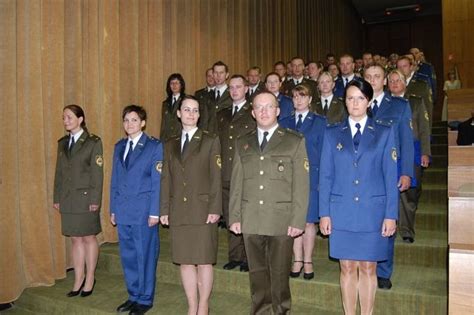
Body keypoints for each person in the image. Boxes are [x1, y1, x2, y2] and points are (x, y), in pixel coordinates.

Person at [319, 80, 398, 315]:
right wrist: (324, 213)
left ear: (369, 102)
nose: (355, 103)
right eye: (350, 98)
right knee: (347, 267)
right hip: (341, 211)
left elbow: (389, 176)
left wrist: (391, 215)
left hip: (372, 212)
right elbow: (325, 176)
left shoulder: (384, 132)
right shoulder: (332, 133)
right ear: (344, 101)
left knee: (368, 267)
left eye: (360, 98)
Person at [229, 92, 309, 314]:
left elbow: (301, 186)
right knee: (257, 274)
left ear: (278, 110)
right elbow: (236, 183)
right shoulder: (242, 142)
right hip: (251, 218)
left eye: (269, 106)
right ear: (253, 112)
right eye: (259, 107)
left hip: (281, 220)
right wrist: (235, 216)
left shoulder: (294, 140)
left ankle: (281, 311)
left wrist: (297, 220)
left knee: (280, 274)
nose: (264, 111)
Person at [160, 96, 222, 315]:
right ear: (178, 113)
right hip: (179, 210)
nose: (191, 114)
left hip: (203, 209)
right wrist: (164, 209)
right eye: (186, 109)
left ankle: (203, 304)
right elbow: (166, 178)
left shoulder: (210, 140)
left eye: (195, 110)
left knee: (204, 261)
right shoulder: (169, 144)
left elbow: (216, 177)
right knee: (185, 261)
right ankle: (191, 304)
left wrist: (215, 208)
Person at [364, 64, 414, 290]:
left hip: (389, 173)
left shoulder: (399, 106)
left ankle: (383, 271)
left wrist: (406, 172)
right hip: (362, 174)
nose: (372, 80)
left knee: (387, 222)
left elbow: (406, 141)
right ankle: (366, 264)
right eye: (368, 77)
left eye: (377, 77)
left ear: (384, 81)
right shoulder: (356, 104)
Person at [110, 105, 163, 314]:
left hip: (143, 211)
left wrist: (154, 211)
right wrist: (113, 208)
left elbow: (157, 182)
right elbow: (115, 180)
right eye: (126, 120)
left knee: (146, 255)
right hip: (123, 210)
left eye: (134, 120)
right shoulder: (119, 146)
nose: (129, 124)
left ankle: (145, 298)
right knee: (129, 256)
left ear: (142, 123)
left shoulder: (153, 146)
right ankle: (133, 295)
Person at [54, 104, 103, 298]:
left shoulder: (92, 142)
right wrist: (56, 197)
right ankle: (78, 278)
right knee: (75, 239)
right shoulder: (62, 143)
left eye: (69, 117)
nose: (66, 120)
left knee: (88, 238)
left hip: (85, 198)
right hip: (67, 199)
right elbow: (59, 173)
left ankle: (90, 277)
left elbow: (97, 174)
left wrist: (95, 199)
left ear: (80, 119)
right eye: (64, 117)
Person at [280, 85, 326, 281]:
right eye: (295, 96)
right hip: (289, 178)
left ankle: (308, 260)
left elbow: (325, 153)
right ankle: (296, 259)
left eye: (302, 96)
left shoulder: (320, 122)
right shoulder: (284, 122)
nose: (298, 100)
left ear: (310, 99)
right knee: (293, 219)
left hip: (312, 177)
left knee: (307, 221)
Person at [217, 75, 256, 272]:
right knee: (230, 214)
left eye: (238, 87)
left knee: (247, 215)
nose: (234, 91)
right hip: (226, 172)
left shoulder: (253, 112)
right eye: (231, 87)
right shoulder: (222, 114)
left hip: (246, 173)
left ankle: (249, 257)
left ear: (246, 89)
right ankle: (235, 256)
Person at [388, 70, 431, 243]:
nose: (395, 83)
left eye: (398, 80)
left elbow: (424, 128)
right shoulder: (384, 102)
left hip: (411, 149)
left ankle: (406, 229)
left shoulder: (416, 101)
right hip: (390, 151)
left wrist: (425, 152)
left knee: (409, 192)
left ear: (405, 82)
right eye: (391, 81)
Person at [207, 61, 233, 134]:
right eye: (215, 73)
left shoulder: (232, 94)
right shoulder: (207, 95)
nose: (218, 76)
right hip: (210, 137)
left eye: (221, 73)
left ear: (227, 75)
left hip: (226, 136)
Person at [161, 73, 186, 141]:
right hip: (167, 139)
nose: (174, 85)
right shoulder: (165, 103)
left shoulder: (186, 101)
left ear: (181, 85)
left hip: (181, 138)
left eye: (177, 83)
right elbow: (163, 124)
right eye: (172, 83)